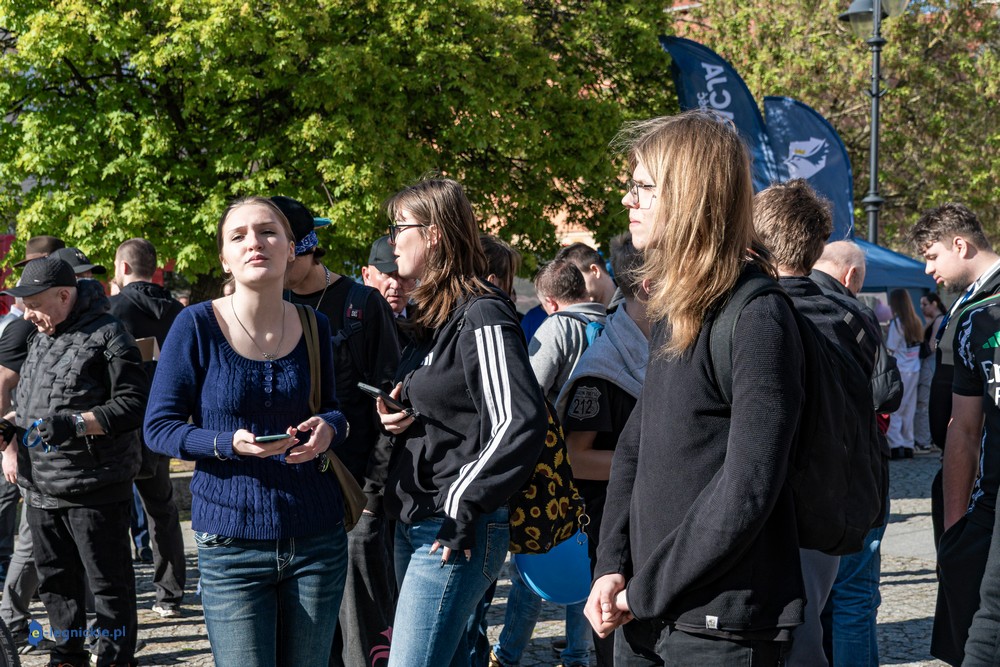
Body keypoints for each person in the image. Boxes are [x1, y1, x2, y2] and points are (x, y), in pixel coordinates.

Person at [587, 111, 805, 664]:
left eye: (643, 187)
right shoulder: (675, 307)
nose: (628, 200)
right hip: (642, 613)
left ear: (688, 195)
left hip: (718, 626)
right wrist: (611, 566)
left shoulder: (756, 315)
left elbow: (747, 487)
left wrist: (643, 590)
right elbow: (635, 448)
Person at [144, 196, 350, 667]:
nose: (255, 242)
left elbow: (334, 410)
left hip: (317, 538)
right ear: (225, 258)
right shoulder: (195, 325)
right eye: (238, 236)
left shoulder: (314, 324)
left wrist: (328, 429)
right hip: (231, 543)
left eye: (268, 232)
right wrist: (225, 443)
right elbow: (157, 428)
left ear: (292, 249)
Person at [376, 178, 548, 667]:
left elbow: (519, 419)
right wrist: (398, 413)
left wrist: (463, 505)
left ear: (433, 234)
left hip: (453, 526)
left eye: (400, 227)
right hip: (418, 518)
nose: (392, 240)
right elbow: (456, 404)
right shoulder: (438, 315)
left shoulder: (483, 312)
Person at [753, 180, 884, 667]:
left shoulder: (759, 311)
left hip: (777, 507)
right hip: (832, 503)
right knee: (809, 635)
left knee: (789, 642)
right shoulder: (853, 316)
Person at [1, 257, 148, 667]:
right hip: (41, 488)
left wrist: (77, 424)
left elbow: (133, 404)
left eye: (34, 304)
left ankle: (116, 658)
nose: (27, 315)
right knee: (56, 583)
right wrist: (11, 427)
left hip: (95, 488)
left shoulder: (110, 334)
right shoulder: (38, 336)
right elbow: (34, 403)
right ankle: (67, 655)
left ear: (65, 296)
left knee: (108, 585)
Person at [276, 194, 401, 667]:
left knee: (361, 629)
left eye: (281, 256)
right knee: (307, 632)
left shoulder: (361, 304)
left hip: (356, 491)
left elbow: (388, 403)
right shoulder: (270, 304)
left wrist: (373, 492)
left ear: (305, 250)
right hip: (292, 494)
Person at [491, 257, 606, 667]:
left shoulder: (557, 328)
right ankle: (579, 653)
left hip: (555, 469)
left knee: (536, 558)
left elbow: (530, 394)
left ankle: (507, 654)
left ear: (550, 302)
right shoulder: (614, 324)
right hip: (601, 465)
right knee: (586, 561)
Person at [909, 203, 1000, 665]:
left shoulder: (986, 308)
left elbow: (967, 427)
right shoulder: (971, 303)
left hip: (984, 497)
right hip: (966, 490)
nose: (929, 270)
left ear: (960, 245)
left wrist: (957, 525)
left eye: (932, 256)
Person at [554, 232, 649, 667]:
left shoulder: (657, 350)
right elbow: (574, 458)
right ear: (650, 286)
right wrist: (657, 463)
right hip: (614, 535)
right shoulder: (604, 368)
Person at [811, 241, 901, 667]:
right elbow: (888, 394)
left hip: (801, 478)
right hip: (853, 475)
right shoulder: (854, 314)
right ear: (850, 277)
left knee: (816, 594)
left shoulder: (776, 303)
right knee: (853, 595)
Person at [108, 238, 188, 619]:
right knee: (162, 509)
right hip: (163, 421)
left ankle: (117, 598)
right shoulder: (178, 312)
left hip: (122, 424)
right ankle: (169, 595)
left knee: (114, 513)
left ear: (123, 267)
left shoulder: (113, 310)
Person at [528, 259, 607, 403]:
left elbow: (532, 391)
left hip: (563, 417)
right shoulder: (612, 322)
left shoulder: (556, 325)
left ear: (551, 303)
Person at [885, 289, 924, 459]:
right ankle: (908, 444)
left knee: (895, 409)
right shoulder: (916, 322)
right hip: (914, 369)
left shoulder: (897, 324)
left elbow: (890, 348)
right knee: (909, 408)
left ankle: (896, 445)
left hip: (900, 369)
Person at [916, 293, 947, 452]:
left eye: (925, 304)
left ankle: (924, 440)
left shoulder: (939, 320)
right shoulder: (936, 319)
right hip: (931, 364)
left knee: (924, 401)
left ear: (934, 303)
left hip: (930, 364)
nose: (922, 307)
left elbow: (932, 345)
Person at [362, 235, 416, 318]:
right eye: (387, 274)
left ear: (414, 279)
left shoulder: (430, 322)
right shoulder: (350, 322)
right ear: (367, 276)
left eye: (404, 275)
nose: (396, 285)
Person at [555, 243, 619, 309]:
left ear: (595, 270)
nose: (573, 288)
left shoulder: (626, 303)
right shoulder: (576, 313)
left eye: (576, 280)